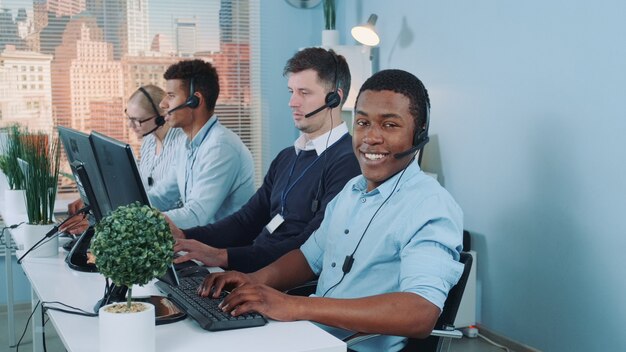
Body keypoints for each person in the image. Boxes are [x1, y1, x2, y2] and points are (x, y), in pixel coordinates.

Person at [195, 69, 464, 352]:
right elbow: (308, 258)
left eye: (389, 125)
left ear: (419, 133)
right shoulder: (351, 190)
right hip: (310, 336)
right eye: (362, 122)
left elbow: (420, 312)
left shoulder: (430, 206)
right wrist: (253, 282)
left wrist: (296, 305)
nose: (370, 137)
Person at [170, 48, 361, 272]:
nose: (292, 102)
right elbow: (246, 221)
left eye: (304, 93)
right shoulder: (287, 157)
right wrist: (185, 236)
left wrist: (223, 257)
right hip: (251, 269)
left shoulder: (348, 163)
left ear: (334, 98)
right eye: (291, 91)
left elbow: (309, 246)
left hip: (284, 283)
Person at [60, 85, 186, 234]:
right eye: (129, 117)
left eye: (137, 120)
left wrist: (111, 215)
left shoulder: (182, 146)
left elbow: (162, 198)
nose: (130, 125)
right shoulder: (149, 142)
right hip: (141, 221)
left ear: (160, 117)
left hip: (166, 229)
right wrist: (96, 203)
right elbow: (140, 190)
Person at [148, 59, 255, 229]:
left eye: (171, 95)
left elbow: (196, 216)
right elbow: (162, 197)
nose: (163, 104)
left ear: (195, 100)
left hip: (222, 250)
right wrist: (123, 206)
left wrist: (139, 221)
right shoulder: (185, 144)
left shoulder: (220, 147)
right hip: (199, 245)